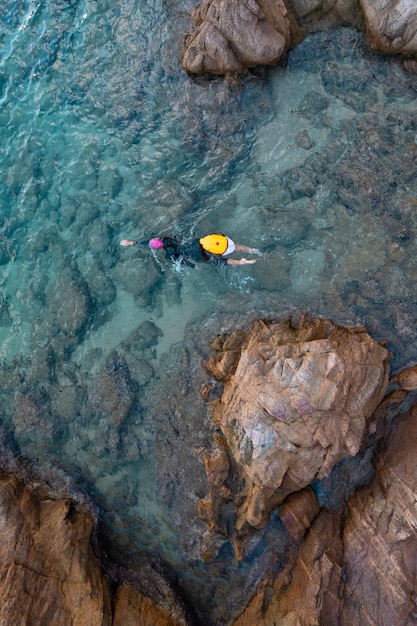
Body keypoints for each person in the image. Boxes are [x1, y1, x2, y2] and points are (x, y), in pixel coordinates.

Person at [120, 233, 260, 266]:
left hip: (195, 254)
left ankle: (241, 262)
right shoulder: (166, 238)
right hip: (195, 244)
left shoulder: (169, 253)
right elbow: (149, 241)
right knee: (233, 247)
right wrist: (131, 242)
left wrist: (192, 266)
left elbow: (181, 262)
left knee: (220, 261)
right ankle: (251, 250)